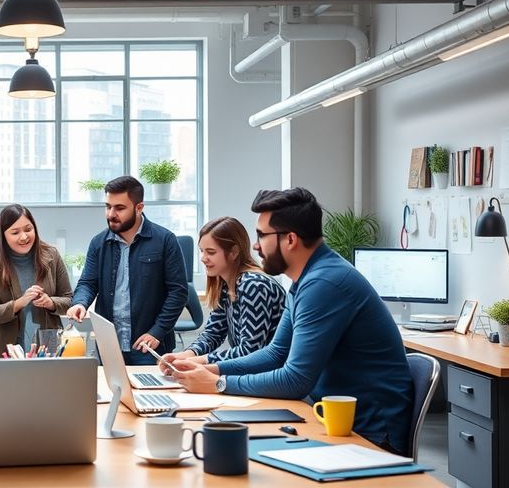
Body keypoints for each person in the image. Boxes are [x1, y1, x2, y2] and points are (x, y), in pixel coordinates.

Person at [171, 188, 413, 454]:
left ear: (290, 240)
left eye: (262, 235)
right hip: (332, 417)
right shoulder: (306, 281)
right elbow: (275, 354)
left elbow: (296, 380)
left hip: (370, 433)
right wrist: (212, 371)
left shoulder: (325, 283)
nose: (255, 244)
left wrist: (218, 384)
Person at [66, 175, 188, 365]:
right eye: (108, 206)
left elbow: (178, 293)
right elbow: (88, 283)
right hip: (109, 345)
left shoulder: (165, 241)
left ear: (139, 208)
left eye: (119, 208)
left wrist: (157, 331)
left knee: (148, 394)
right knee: (110, 394)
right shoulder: (99, 243)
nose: (110, 214)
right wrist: (80, 303)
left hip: (149, 346)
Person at [159, 217, 285, 370]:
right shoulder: (226, 285)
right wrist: (185, 355)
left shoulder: (253, 285)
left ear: (234, 252)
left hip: (272, 376)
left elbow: (250, 350)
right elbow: (213, 333)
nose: (203, 259)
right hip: (252, 373)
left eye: (211, 252)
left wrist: (199, 362)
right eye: (201, 251)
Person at [0, 204, 74, 358]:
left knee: (47, 382)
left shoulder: (51, 255)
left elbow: (69, 300)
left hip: (48, 345)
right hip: (6, 349)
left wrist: (50, 302)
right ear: (3, 235)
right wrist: (21, 301)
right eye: (15, 232)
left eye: (28, 229)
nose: (24, 237)